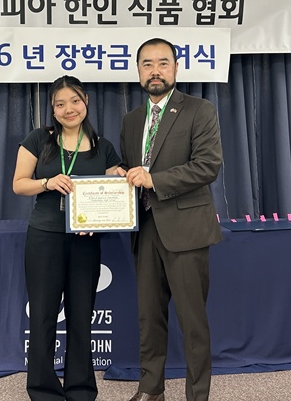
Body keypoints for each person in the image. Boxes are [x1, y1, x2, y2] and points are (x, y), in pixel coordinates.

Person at [120, 37, 223, 401]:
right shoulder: (132, 120)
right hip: (145, 228)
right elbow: (133, 169)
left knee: (192, 322)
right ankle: (151, 390)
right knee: (149, 317)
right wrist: (119, 174)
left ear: (176, 68)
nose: (155, 71)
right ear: (138, 71)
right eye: (147, 64)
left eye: (163, 63)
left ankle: (197, 395)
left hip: (186, 230)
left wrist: (154, 180)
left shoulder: (199, 110)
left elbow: (207, 165)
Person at [13, 75, 125, 401]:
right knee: (43, 316)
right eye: (60, 104)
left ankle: (80, 390)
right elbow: (19, 184)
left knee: (81, 317)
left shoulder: (103, 147)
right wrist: (46, 183)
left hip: (85, 241)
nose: (68, 109)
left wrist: (120, 182)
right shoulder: (39, 139)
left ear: (85, 101)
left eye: (74, 101)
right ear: (53, 109)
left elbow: (114, 193)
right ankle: (43, 391)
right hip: (45, 238)